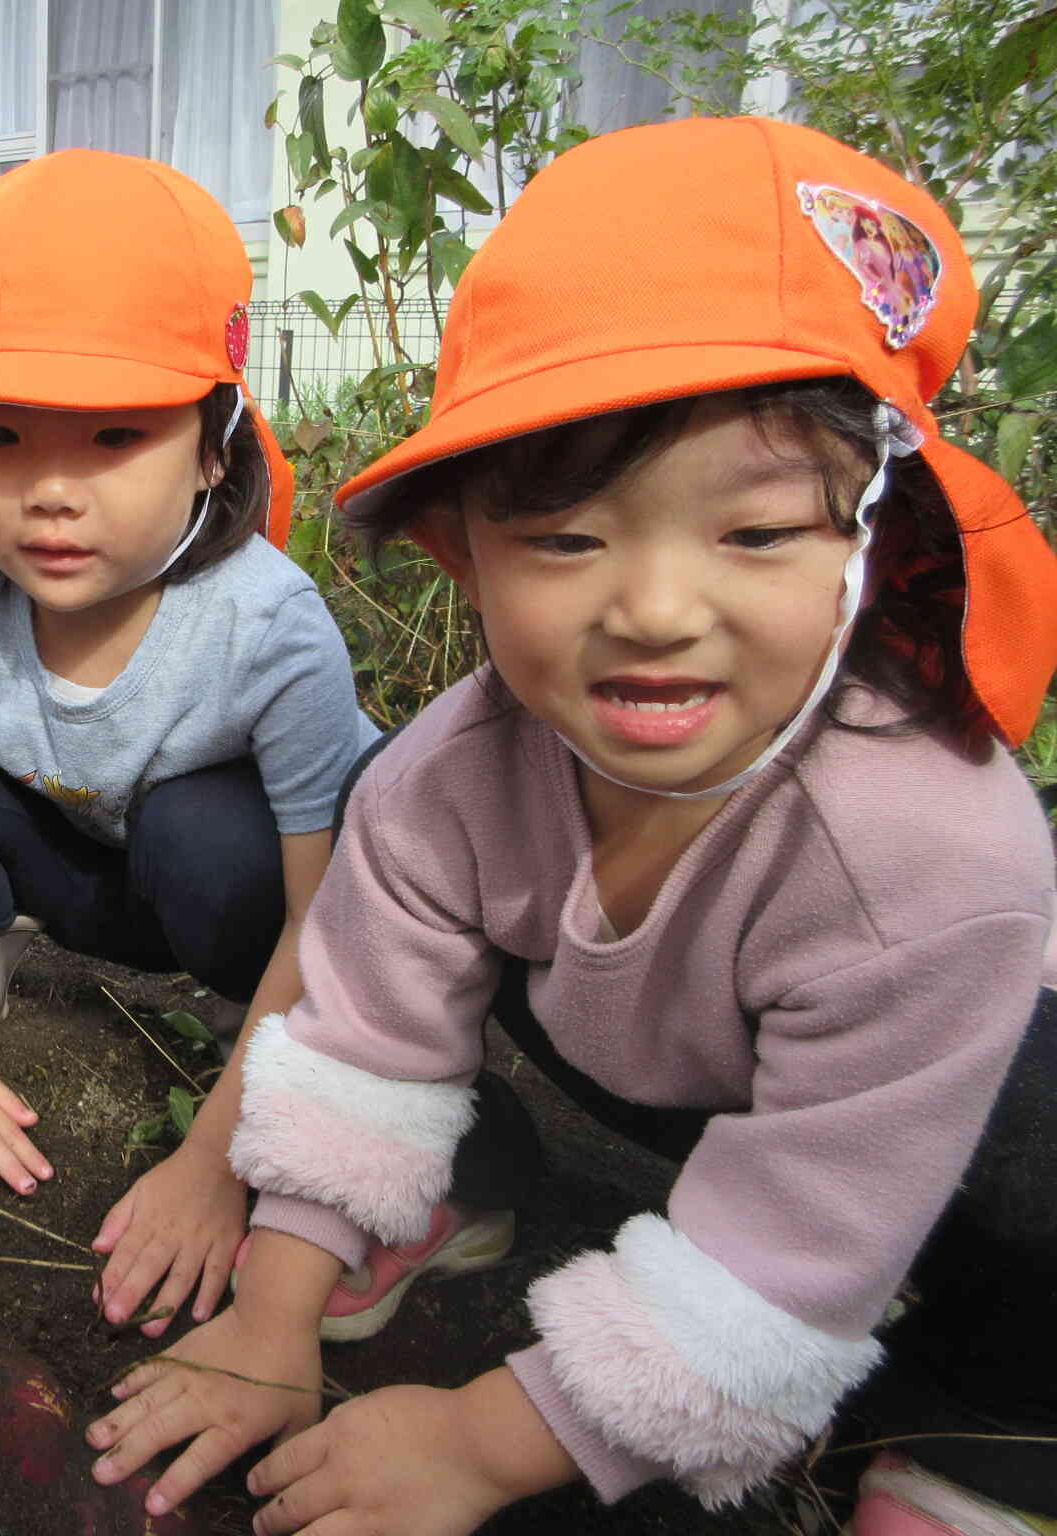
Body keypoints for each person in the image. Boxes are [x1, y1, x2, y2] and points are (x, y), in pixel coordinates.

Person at [82, 117, 1057, 1536]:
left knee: (1033, 1209)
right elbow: (363, 1039)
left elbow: (796, 1238)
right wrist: (269, 1318)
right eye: (567, 539)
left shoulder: (930, 857)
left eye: (761, 533)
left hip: (977, 1106)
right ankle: (452, 1199)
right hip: (696, 1062)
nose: (655, 610)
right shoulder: (448, 778)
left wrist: (481, 1443)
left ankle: (987, 1428)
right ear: (464, 542)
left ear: (881, 544)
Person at [0, 149, 376, 1344]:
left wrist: (219, 1159)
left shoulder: (269, 630)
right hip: (89, 881)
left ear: (214, 444)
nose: (50, 491)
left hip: (263, 913)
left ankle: (242, 1025)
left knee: (203, 825)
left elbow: (336, 921)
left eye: (113, 434)